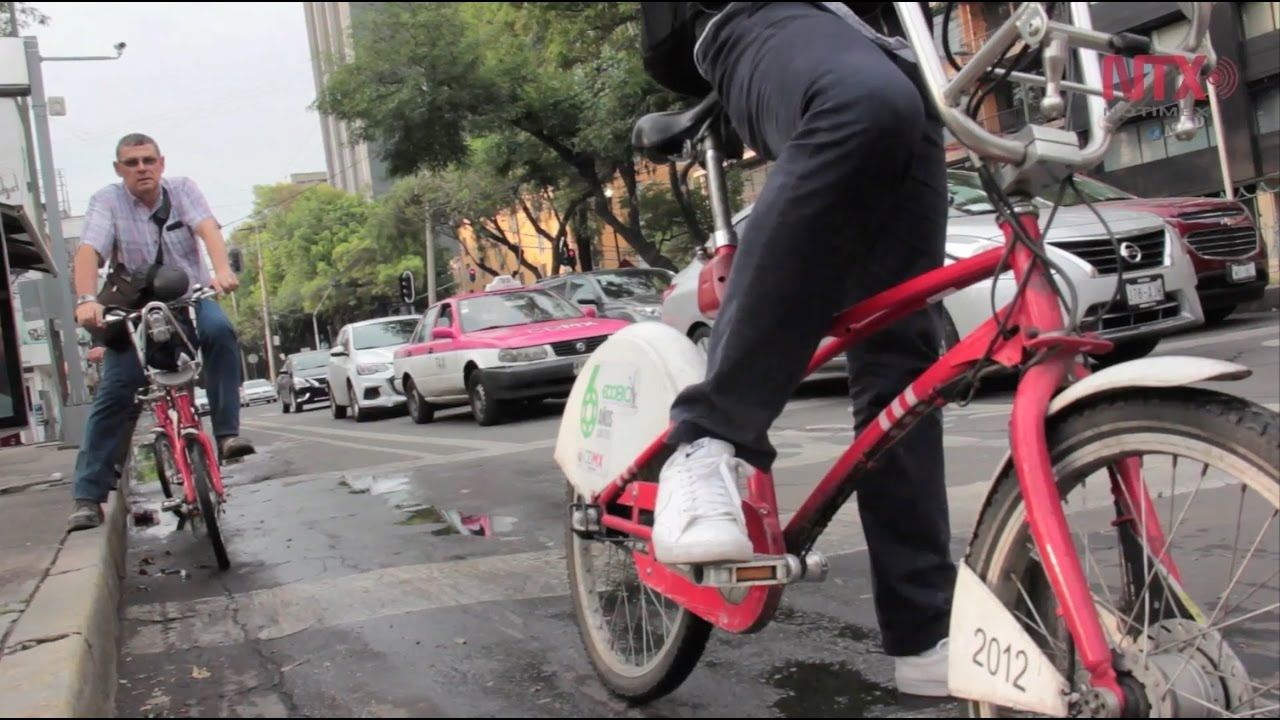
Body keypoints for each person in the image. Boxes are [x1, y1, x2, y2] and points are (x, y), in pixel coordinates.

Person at [640, 2, 956, 697]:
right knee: (863, 105)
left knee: (900, 346)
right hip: (759, 16)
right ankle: (706, 440)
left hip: (897, 43)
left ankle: (924, 630)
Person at [67, 133, 255, 531]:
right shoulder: (107, 201)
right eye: (132, 163)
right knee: (118, 390)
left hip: (190, 300)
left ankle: (226, 435)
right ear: (119, 170)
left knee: (221, 332)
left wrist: (221, 270)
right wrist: (86, 298)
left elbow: (207, 229)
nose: (142, 169)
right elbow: (89, 252)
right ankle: (87, 496)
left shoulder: (183, 190)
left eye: (148, 160)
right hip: (136, 314)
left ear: (161, 163)